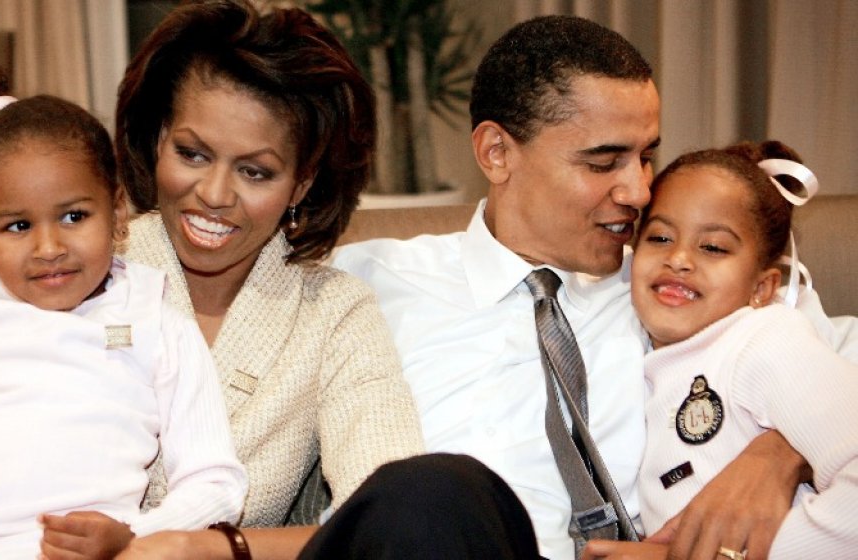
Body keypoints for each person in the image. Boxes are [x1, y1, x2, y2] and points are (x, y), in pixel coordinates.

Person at [0, 1, 424, 558]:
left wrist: (200, 547)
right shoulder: (78, 251)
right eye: (192, 153)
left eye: (256, 171)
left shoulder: (333, 315)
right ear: (156, 141)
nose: (215, 195)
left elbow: (389, 520)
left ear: (300, 185)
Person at [331, 15, 852, 560]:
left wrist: (781, 451)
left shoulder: (682, 286)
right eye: (604, 163)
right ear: (496, 152)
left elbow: (837, 375)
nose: (639, 190)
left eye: (646, 156)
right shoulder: (367, 285)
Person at [0, 85, 247, 559]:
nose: (49, 247)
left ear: (117, 214)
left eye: (74, 216)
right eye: (18, 226)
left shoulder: (156, 323)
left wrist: (137, 532)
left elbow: (217, 483)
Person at [582, 141, 858, 560]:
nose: (678, 258)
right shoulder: (642, 365)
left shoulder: (765, 337)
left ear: (762, 288)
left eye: (712, 247)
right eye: (659, 237)